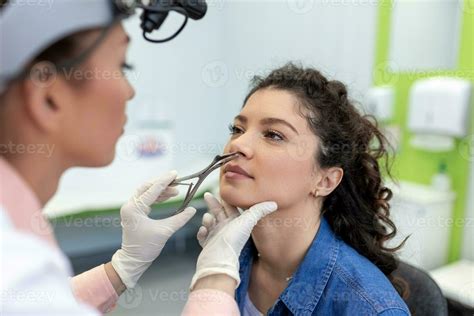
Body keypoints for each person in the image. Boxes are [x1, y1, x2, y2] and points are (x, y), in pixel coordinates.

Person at [0, 2, 275, 314]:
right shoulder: (15, 269)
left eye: (274, 135)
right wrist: (214, 279)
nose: (129, 92)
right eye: (122, 67)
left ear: (327, 179)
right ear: (48, 98)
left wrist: (123, 267)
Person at [196, 63, 411, 315]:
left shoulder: (370, 308)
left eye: (274, 135)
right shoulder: (225, 259)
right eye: (237, 129)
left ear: (325, 181)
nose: (238, 144)